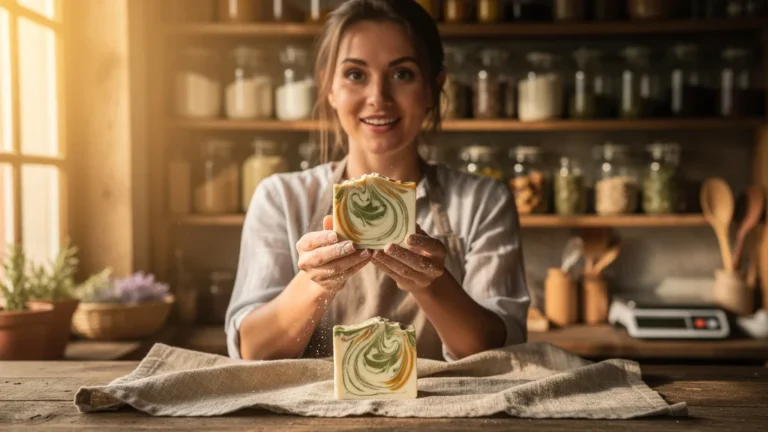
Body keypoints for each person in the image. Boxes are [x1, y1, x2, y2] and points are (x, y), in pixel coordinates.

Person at [226, 0, 530, 362]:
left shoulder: (483, 201)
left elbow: (497, 352)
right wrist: (314, 281)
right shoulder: (280, 198)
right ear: (329, 88)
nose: (378, 98)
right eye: (356, 75)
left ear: (434, 88)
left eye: (402, 74)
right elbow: (253, 352)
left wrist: (434, 284)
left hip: (443, 417)